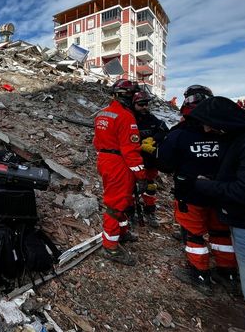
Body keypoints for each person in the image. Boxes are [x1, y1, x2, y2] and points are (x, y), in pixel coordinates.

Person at [183, 96, 245, 328]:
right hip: (239, 220)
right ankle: (226, 273)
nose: (206, 129)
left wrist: (206, 185)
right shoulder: (241, 139)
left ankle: (202, 274)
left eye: (209, 123)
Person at [157, 85, 237, 296]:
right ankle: (227, 272)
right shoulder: (228, 133)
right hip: (221, 192)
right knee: (221, 232)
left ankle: (200, 274)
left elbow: (164, 162)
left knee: (194, 235)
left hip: (190, 193)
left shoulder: (179, 134)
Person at [93, 79, 145, 266]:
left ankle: (121, 233)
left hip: (106, 160)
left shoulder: (102, 114)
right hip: (118, 163)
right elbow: (131, 150)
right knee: (115, 204)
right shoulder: (125, 117)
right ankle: (110, 246)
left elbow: (97, 142)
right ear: (128, 96)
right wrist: (141, 175)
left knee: (122, 200)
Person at [131, 91, 169, 227]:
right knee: (130, 188)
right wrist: (139, 144)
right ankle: (130, 213)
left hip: (150, 162)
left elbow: (164, 129)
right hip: (133, 161)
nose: (144, 107)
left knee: (150, 188)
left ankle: (150, 212)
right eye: (141, 104)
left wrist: (153, 139)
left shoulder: (152, 119)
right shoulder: (129, 118)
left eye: (146, 104)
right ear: (134, 104)